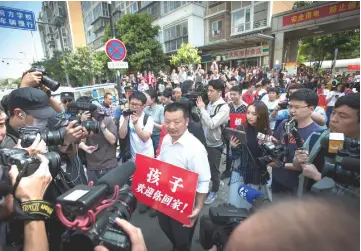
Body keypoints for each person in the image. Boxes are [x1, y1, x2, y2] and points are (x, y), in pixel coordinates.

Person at [157, 102, 211, 251]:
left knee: (182, 239)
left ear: (186, 121)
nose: (171, 126)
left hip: (185, 201)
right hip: (164, 195)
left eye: (177, 122)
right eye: (167, 122)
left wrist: (198, 207)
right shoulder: (167, 139)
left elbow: (204, 181)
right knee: (164, 226)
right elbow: (160, 161)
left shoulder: (195, 149)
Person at [294, 93, 360, 193]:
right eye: (333, 113)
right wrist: (299, 160)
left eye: (342, 116)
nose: (333, 119)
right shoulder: (317, 136)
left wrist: (318, 177)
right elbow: (297, 166)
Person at [272, 89, 320, 195]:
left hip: (296, 186)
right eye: (290, 106)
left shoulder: (317, 133)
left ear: (311, 109)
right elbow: (278, 143)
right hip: (277, 178)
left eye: (297, 107)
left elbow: (309, 166)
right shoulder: (284, 124)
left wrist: (280, 164)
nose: (292, 110)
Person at [228, 101, 271, 209]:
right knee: (236, 200)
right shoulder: (241, 129)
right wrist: (233, 147)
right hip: (240, 171)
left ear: (261, 115)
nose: (250, 116)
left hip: (256, 173)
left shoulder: (266, 132)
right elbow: (233, 156)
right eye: (248, 112)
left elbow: (268, 157)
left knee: (252, 202)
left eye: (254, 114)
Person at [197, 79, 230, 205]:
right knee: (204, 167)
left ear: (219, 92)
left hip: (215, 144)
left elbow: (211, 124)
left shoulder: (224, 107)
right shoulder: (209, 103)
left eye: (211, 91)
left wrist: (202, 109)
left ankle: (214, 190)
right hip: (204, 141)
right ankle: (208, 185)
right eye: (208, 90)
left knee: (214, 169)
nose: (209, 93)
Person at [79, 101, 118, 183]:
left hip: (109, 163)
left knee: (114, 192)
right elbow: (81, 143)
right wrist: (83, 124)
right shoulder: (82, 123)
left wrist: (101, 124)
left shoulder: (107, 120)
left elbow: (112, 140)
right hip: (92, 166)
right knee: (97, 193)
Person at [118, 91, 154, 162]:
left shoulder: (148, 119)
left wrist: (136, 123)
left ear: (143, 106)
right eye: (132, 104)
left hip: (147, 156)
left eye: (137, 105)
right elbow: (122, 136)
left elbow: (145, 138)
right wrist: (125, 120)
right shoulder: (125, 116)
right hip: (132, 157)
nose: (134, 107)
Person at [144, 90, 164, 156]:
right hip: (147, 136)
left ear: (153, 99)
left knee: (157, 155)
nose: (145, 100)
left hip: (157, 136)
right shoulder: (146, 109)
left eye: (147, 98)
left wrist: (151, 123)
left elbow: (163, 126)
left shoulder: (161, 109)